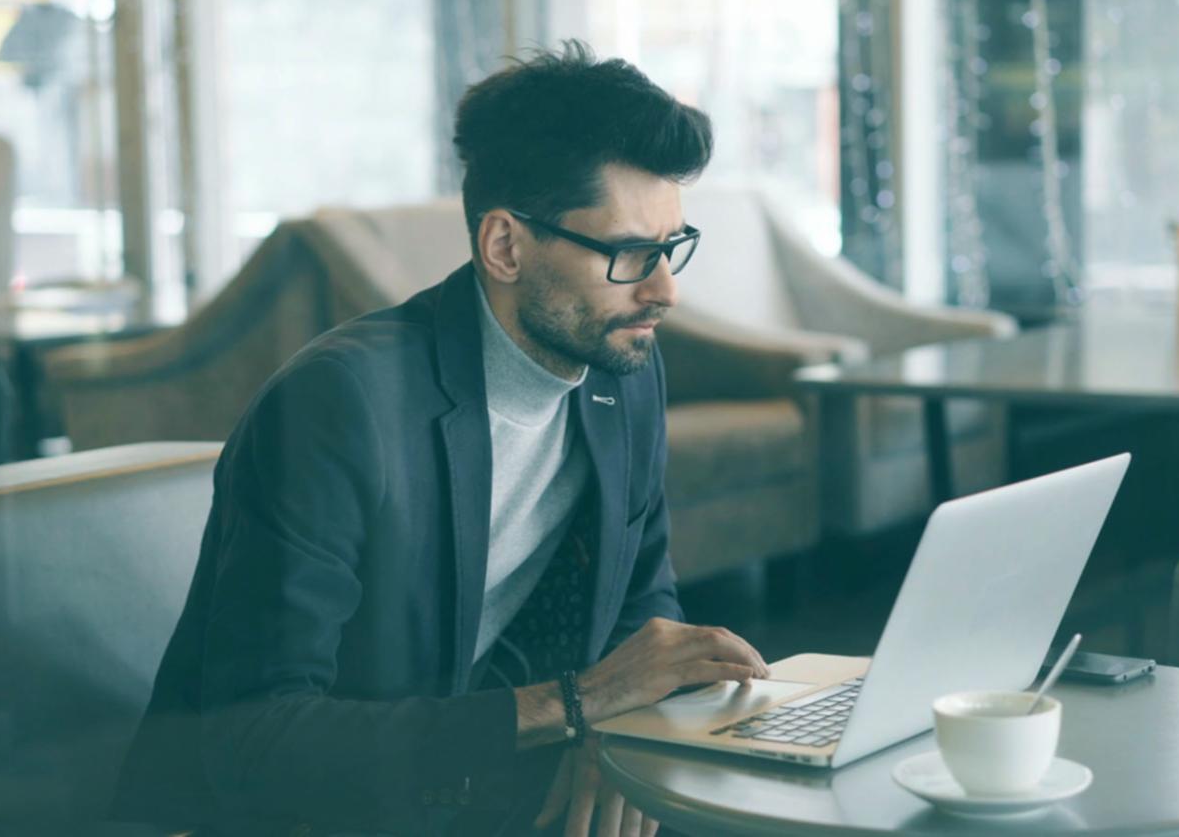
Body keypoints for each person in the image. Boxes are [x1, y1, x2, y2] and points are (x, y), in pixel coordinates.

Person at [113, 41, 770, 836]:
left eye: (670, 247)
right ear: (505, 246)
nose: (665, 289)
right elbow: (253, 739)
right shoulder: (338, 405)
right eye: (629, 253)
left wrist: (617, 734)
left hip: (471, 784)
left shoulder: (619, 365)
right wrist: (578, 705)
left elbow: (641, 600)